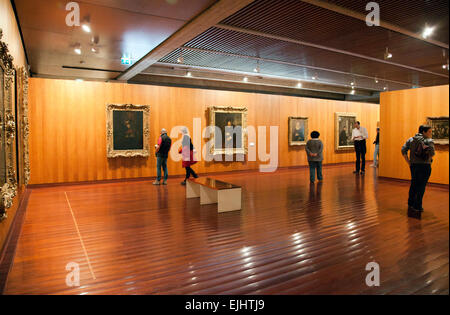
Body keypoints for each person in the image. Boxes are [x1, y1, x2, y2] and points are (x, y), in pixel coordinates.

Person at [401, 125, 435, 219]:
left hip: (413, 166)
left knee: (414, 184)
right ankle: (417, 206)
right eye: (429, 132)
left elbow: (403, 150)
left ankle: (410, 203)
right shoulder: (429, 141)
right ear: (423, 132)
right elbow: (432, 154)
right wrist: (429, 159)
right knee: (421, 186)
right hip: (425, 166)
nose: (430, 134)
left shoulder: (411, 139)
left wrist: (408, 162)